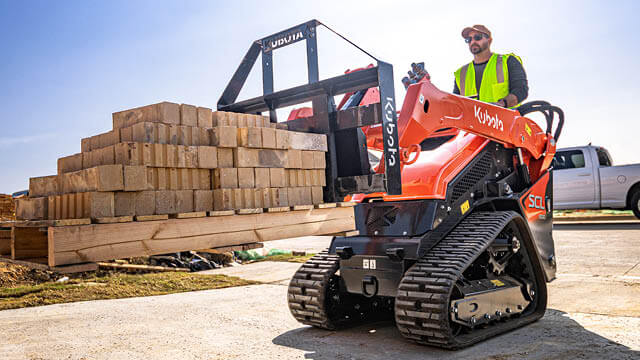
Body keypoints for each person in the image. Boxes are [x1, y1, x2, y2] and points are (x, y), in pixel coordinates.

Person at [454, 25, 528, 108]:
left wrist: (502, 103)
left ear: (489, 40)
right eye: (469, 39)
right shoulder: (461, 74)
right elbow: (455, 104)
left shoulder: (507, 61)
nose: (472, 42)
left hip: (504, 120)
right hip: (471, 120)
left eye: (477, 37)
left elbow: (521, 90)